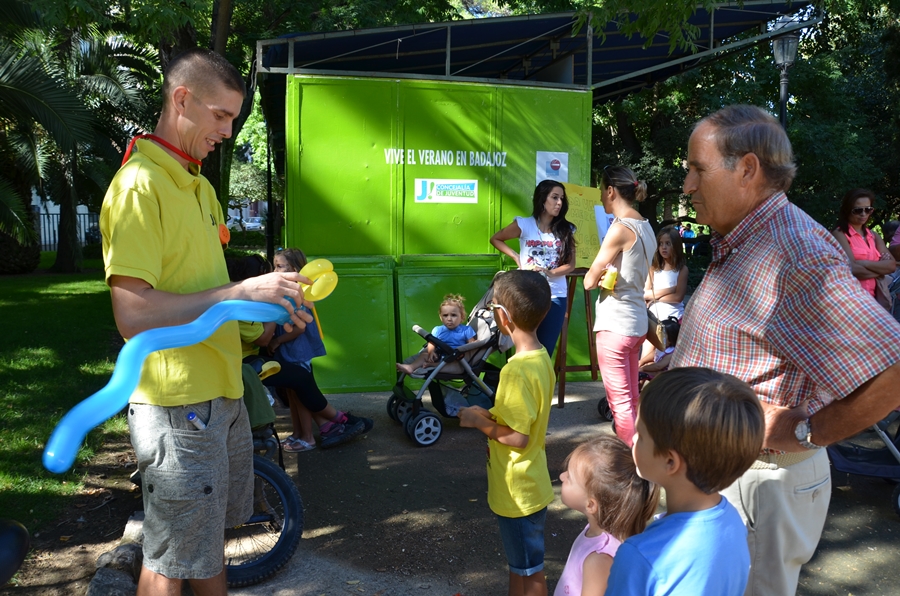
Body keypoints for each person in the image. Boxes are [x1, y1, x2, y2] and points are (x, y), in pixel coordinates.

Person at [100, 48, 313, 595]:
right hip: (176, 405)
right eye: (220, 115)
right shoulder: (138, 187)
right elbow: (134, 314)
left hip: (221, 393)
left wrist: (268, 315)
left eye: (234, 119)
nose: (227, 129)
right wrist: (241, 289)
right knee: (171, 557)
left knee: (205, 538)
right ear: (181, 99)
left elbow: (209, 298)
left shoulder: (201, 188)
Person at [673, 104, 900, 596]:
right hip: (727, 481)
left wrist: (807, 430)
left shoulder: (795, 251)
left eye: (697, 169)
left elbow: (892, 370)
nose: (688, 185)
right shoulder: (744, 238)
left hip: (754, 485)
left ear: (748, 169)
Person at [606, 367, 764, 595]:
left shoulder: (640, 555)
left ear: (670, 462)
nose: (633, 438)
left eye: (640, 433)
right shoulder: (732, 521)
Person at [457, 270, 554, 596]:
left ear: (502, 317)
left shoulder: (515, 371)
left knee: (530, 571)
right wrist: (492, 415)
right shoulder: (541, 359)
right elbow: (525, 418)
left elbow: (517, 437)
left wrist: (476, 421)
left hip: (519, 490)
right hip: (530, 482)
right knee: (522, 567)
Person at [265, 248, 371, 451]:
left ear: (294, 270)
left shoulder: (298, 294)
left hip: (297, 351)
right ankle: (298, 434)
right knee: (293, 394)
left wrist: (277, 341)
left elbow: (300, 328)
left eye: (279, 266)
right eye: (274, 265)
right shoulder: (290, 292)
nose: (274, 270)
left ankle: (307, 437)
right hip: (291, 351)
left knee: (301, 395)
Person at [584, 166, 655, 447]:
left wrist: (599, 275)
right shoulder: (645, 225)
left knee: (620, 403)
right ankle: (641, 454)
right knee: (633, 398)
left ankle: (634, 465)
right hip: (637, 323)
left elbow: (589, 280)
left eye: (602, 190)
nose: (601, 196)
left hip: (615, 324)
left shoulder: (620, 228)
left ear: (611, 191)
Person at [554, 436, 660, 596]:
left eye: (569, 477)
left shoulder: (599, 560)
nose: (562, 476)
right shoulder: (596, 529)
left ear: (591, 505)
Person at [490, 180, 577, 357]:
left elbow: (571, 264)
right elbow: (496, 239)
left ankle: (542, 384)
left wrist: (550, 273)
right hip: (526, 294)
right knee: (525, 348)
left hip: (555, 295)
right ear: (542, 199)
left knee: (545, 349)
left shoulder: (566, 229)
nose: (559, 202)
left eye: (561, 198)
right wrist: (516, 257)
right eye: (554, 197)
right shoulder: (524, 224)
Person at [831, 188, 895, 306]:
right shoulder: (840, 234)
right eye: (858, 210)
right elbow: (852, 269)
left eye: (868, 209)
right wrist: (881, 269)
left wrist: (863, 263)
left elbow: (892, 265)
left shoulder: (874, 236)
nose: (863, 214)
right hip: (851, 301)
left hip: (875, 301)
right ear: (847, 210)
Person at [396, 293, 477, 374]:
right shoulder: (438, 330)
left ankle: (433, 365)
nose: (449, 319)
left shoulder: (466, 330)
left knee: (454, 362)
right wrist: (431, 352)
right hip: (440, 356)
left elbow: (471, 345)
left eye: (453, 315)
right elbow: (432, 342)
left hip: (457, 359)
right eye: (445, 315)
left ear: (462, 317)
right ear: (441, 317)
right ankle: (411, 367)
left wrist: (475, 343)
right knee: (424, 355)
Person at [644, 226, 688, 323]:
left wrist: (654, 298)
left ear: (676, 245)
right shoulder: (653, 269)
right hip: (653, 318)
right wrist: (671, 289)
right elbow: (645, 294)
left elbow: (677, 298)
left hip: (674, 318)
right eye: (661, 244)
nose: (664, 247)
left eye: (668, 243)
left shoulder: (682, 269)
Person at [638, 316, 679, 389]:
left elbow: (658, 366)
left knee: (640, 374)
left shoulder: (671, 353)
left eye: (662, 336)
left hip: (663, 376)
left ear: (671, 338)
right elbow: (654, 353)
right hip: (656, 372)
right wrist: (642, 361)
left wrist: (643, 369)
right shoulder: (662, 346)